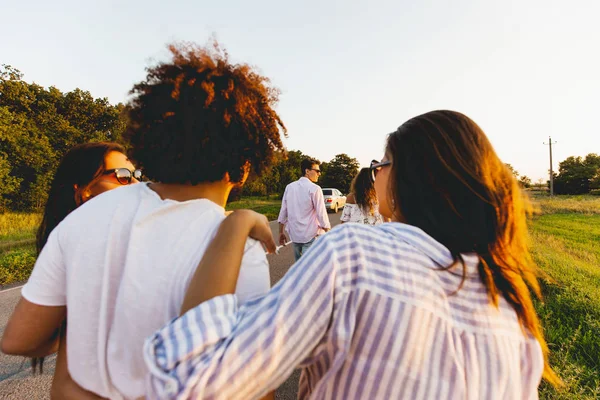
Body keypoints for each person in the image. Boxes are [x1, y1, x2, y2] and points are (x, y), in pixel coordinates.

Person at [143, 110, 561, 399]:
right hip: (314, 235)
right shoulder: (516, 318)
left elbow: (196, 382)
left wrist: (233, 225)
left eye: (383, 163)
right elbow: (315, 211)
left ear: (408, 177)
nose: (377, 173)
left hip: (308, 241)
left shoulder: (353, 256)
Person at [1, 42, 285, 400]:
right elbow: (253, 389)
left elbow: (20, 339)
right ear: (244, 165)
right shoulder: (237, 243)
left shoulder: (85, 216)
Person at [25, 141, 139, 399]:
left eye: (137, 176)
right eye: (122, 177)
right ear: (85, 190)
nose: (135, 185)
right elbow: (36, 341)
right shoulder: (77, 250)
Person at [278, 158, 331, 260]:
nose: (319, 174)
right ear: (307, 171)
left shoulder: (289, 187)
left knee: (299, 266)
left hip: (295, 236)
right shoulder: (315, 188)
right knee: (310, 268)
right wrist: (328, 231)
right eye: (317, 171)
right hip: (310, 235)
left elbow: (283, 211)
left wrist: (280, 232)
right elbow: (321, 213)